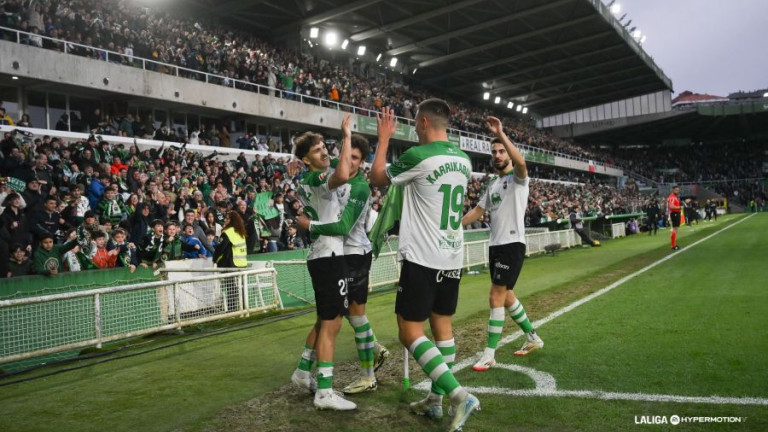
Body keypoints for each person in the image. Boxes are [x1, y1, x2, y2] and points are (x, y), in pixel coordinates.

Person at [369, 102, 479, 432]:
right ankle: (434, 402)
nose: (414, 128)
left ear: (425, 121)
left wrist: (384, 138)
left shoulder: (418, 156)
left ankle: (459, 396)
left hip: (423, 258)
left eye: (415, 123)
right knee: (442, 329)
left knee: (409, 332)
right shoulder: (464, 160)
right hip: (452, 256)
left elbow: (377, 178)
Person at [297, 133, 390, 395]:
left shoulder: (359, 187)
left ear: (361, 163)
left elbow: (343, 225)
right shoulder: (333, 176)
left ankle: (367, 373)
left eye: (355, 158)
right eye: (346, 156)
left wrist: (309, 224)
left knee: (352, 314)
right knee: (328, 315)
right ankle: (305, 370)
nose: (348, 161)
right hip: (335, 255)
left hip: (355, 255)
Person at [460, 116, 544, 373]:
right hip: (496, 245)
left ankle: (489, 354)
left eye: (501, 151)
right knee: (507, 296)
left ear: (508, 152)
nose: (497, 155)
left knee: (495, 295)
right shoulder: (492, 184)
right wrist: (452, 226)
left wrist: (501, 133)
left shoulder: (519, 179)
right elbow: (477, 212)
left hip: (511, 244)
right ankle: (532, 336)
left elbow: (521, 162)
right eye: (494, 151)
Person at [289, 115, 356, 411]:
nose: (323, 152)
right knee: (332, 323)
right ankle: (325, 392)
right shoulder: (314, 178)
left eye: (323, 148)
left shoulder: (308, 179)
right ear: (306, 159)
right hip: (327, 257)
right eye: (317, 151)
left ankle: (304, 372)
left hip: (325, 255)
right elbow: (341, 175)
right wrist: (347, 136)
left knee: (323, 319)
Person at [668, 185, 682, 250]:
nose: (677, 191)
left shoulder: (675, 197)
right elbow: (671, 206)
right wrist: (679, 207)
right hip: (675, 213)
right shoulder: (672, 197)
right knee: (675, 229)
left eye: (678, 190)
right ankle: (673, 245)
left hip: (676, 213)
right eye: (676, 190)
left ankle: (673, 244)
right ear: (673, 190)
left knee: (675, 229)